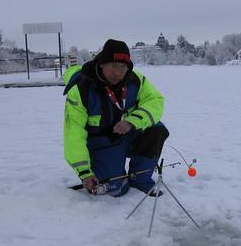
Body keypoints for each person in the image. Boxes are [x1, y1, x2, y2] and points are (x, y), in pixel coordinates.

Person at [63, 39, 169, 197]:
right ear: (101, 64)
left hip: (127, 133)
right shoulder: (81, 89)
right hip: (101, 143)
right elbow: (74, 134)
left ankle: (140, 179)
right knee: (115, 189)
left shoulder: (135, 80)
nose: (118, 72)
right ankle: (112, 175)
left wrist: (133, 121)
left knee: (156, 129)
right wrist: (84, 172)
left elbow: (155, 101)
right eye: (113, 65)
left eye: (123, 67)